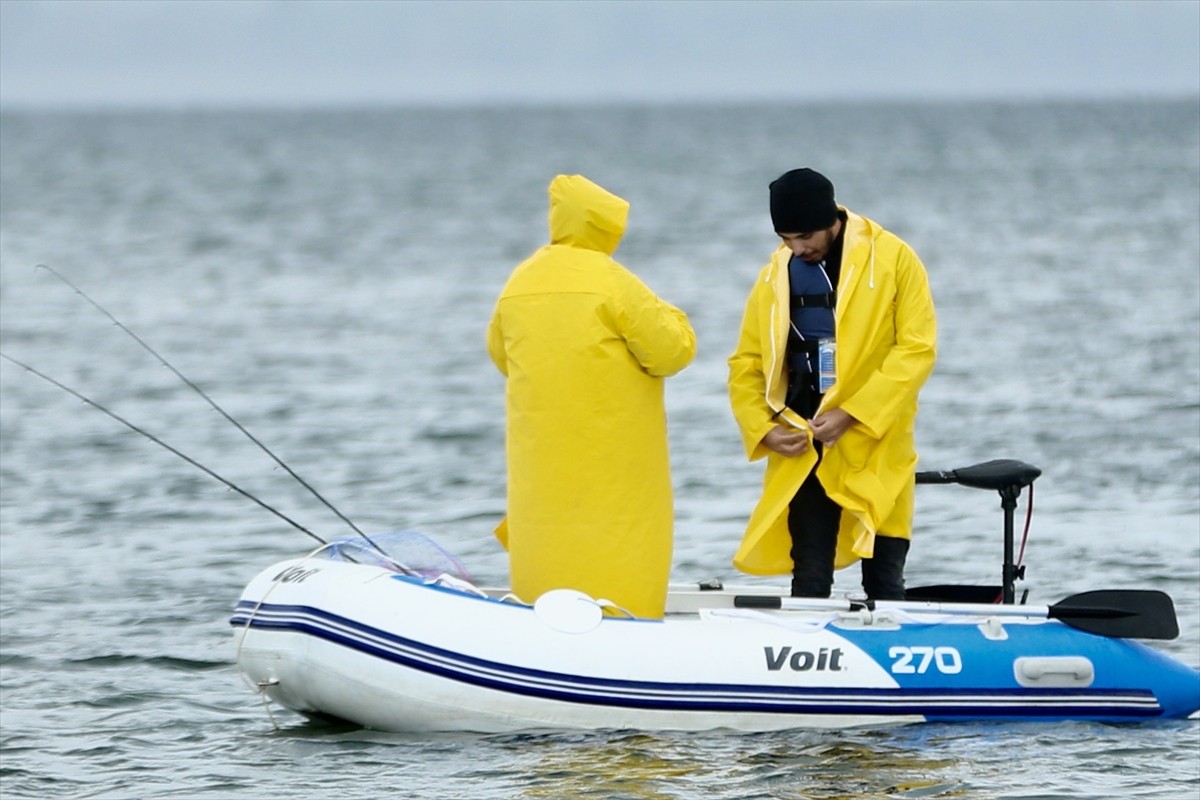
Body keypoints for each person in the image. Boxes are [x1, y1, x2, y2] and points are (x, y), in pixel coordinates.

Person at [487, 174, 696, 619]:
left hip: (541, 459)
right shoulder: (612, 281)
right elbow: (672, 352)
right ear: (604, 226)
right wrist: (676, 314)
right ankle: (623, 623)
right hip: (613, 458)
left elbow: (500, 355)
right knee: (619, 545)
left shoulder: (519, 281)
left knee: (548, 543)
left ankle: (539, 621)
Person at [727, 168, 936, 600]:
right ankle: (805, 659)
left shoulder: (896, 259)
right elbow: (746, 362)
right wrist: (763, 429)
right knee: (809, 572)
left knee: (884, 576)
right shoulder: (775, 274)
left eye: (803, 236)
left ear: (830, 220)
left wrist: (852, 413)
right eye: (785, 238)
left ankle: (888, 651)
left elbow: (916, 350)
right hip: (804, 439)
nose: (795, 247)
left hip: (873, 439)